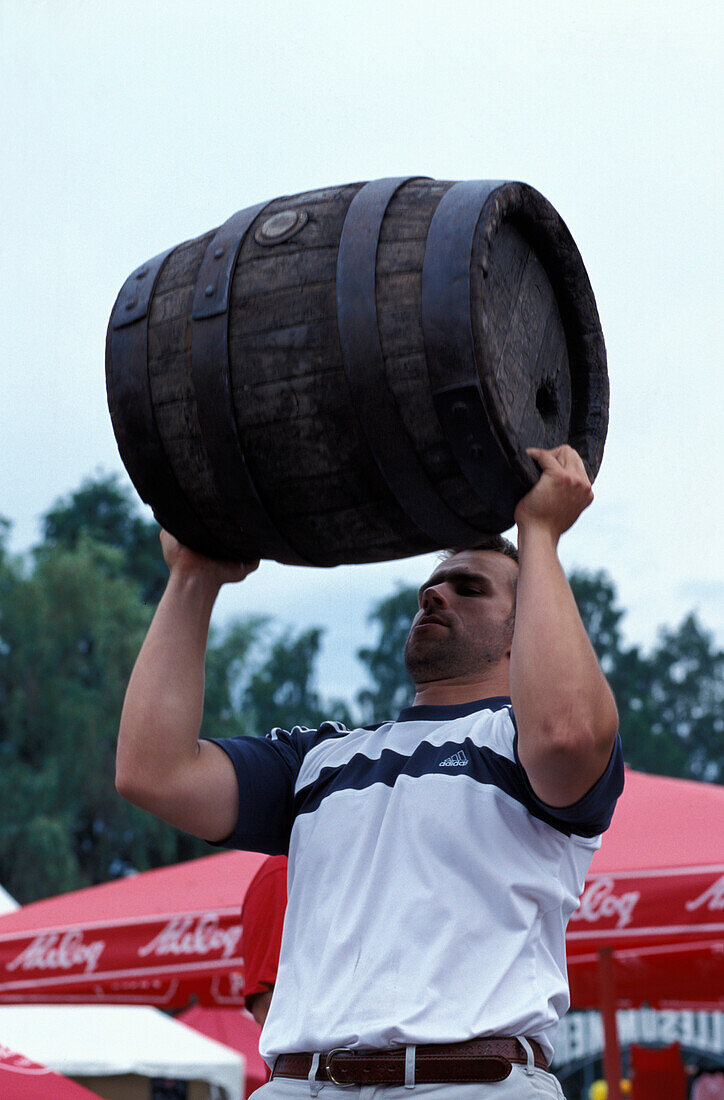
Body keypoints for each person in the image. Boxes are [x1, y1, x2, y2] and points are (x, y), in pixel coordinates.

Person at [116, 444, 623, 1100]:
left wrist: (540, 532)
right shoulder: (319, 758)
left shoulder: (521, 743)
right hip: (300, 1085)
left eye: (468, 587)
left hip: (470, 1085)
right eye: (430, 588)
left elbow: (568, 732)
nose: (436, 593)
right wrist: (192, 579)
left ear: (521, 631)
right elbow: (151, 772)